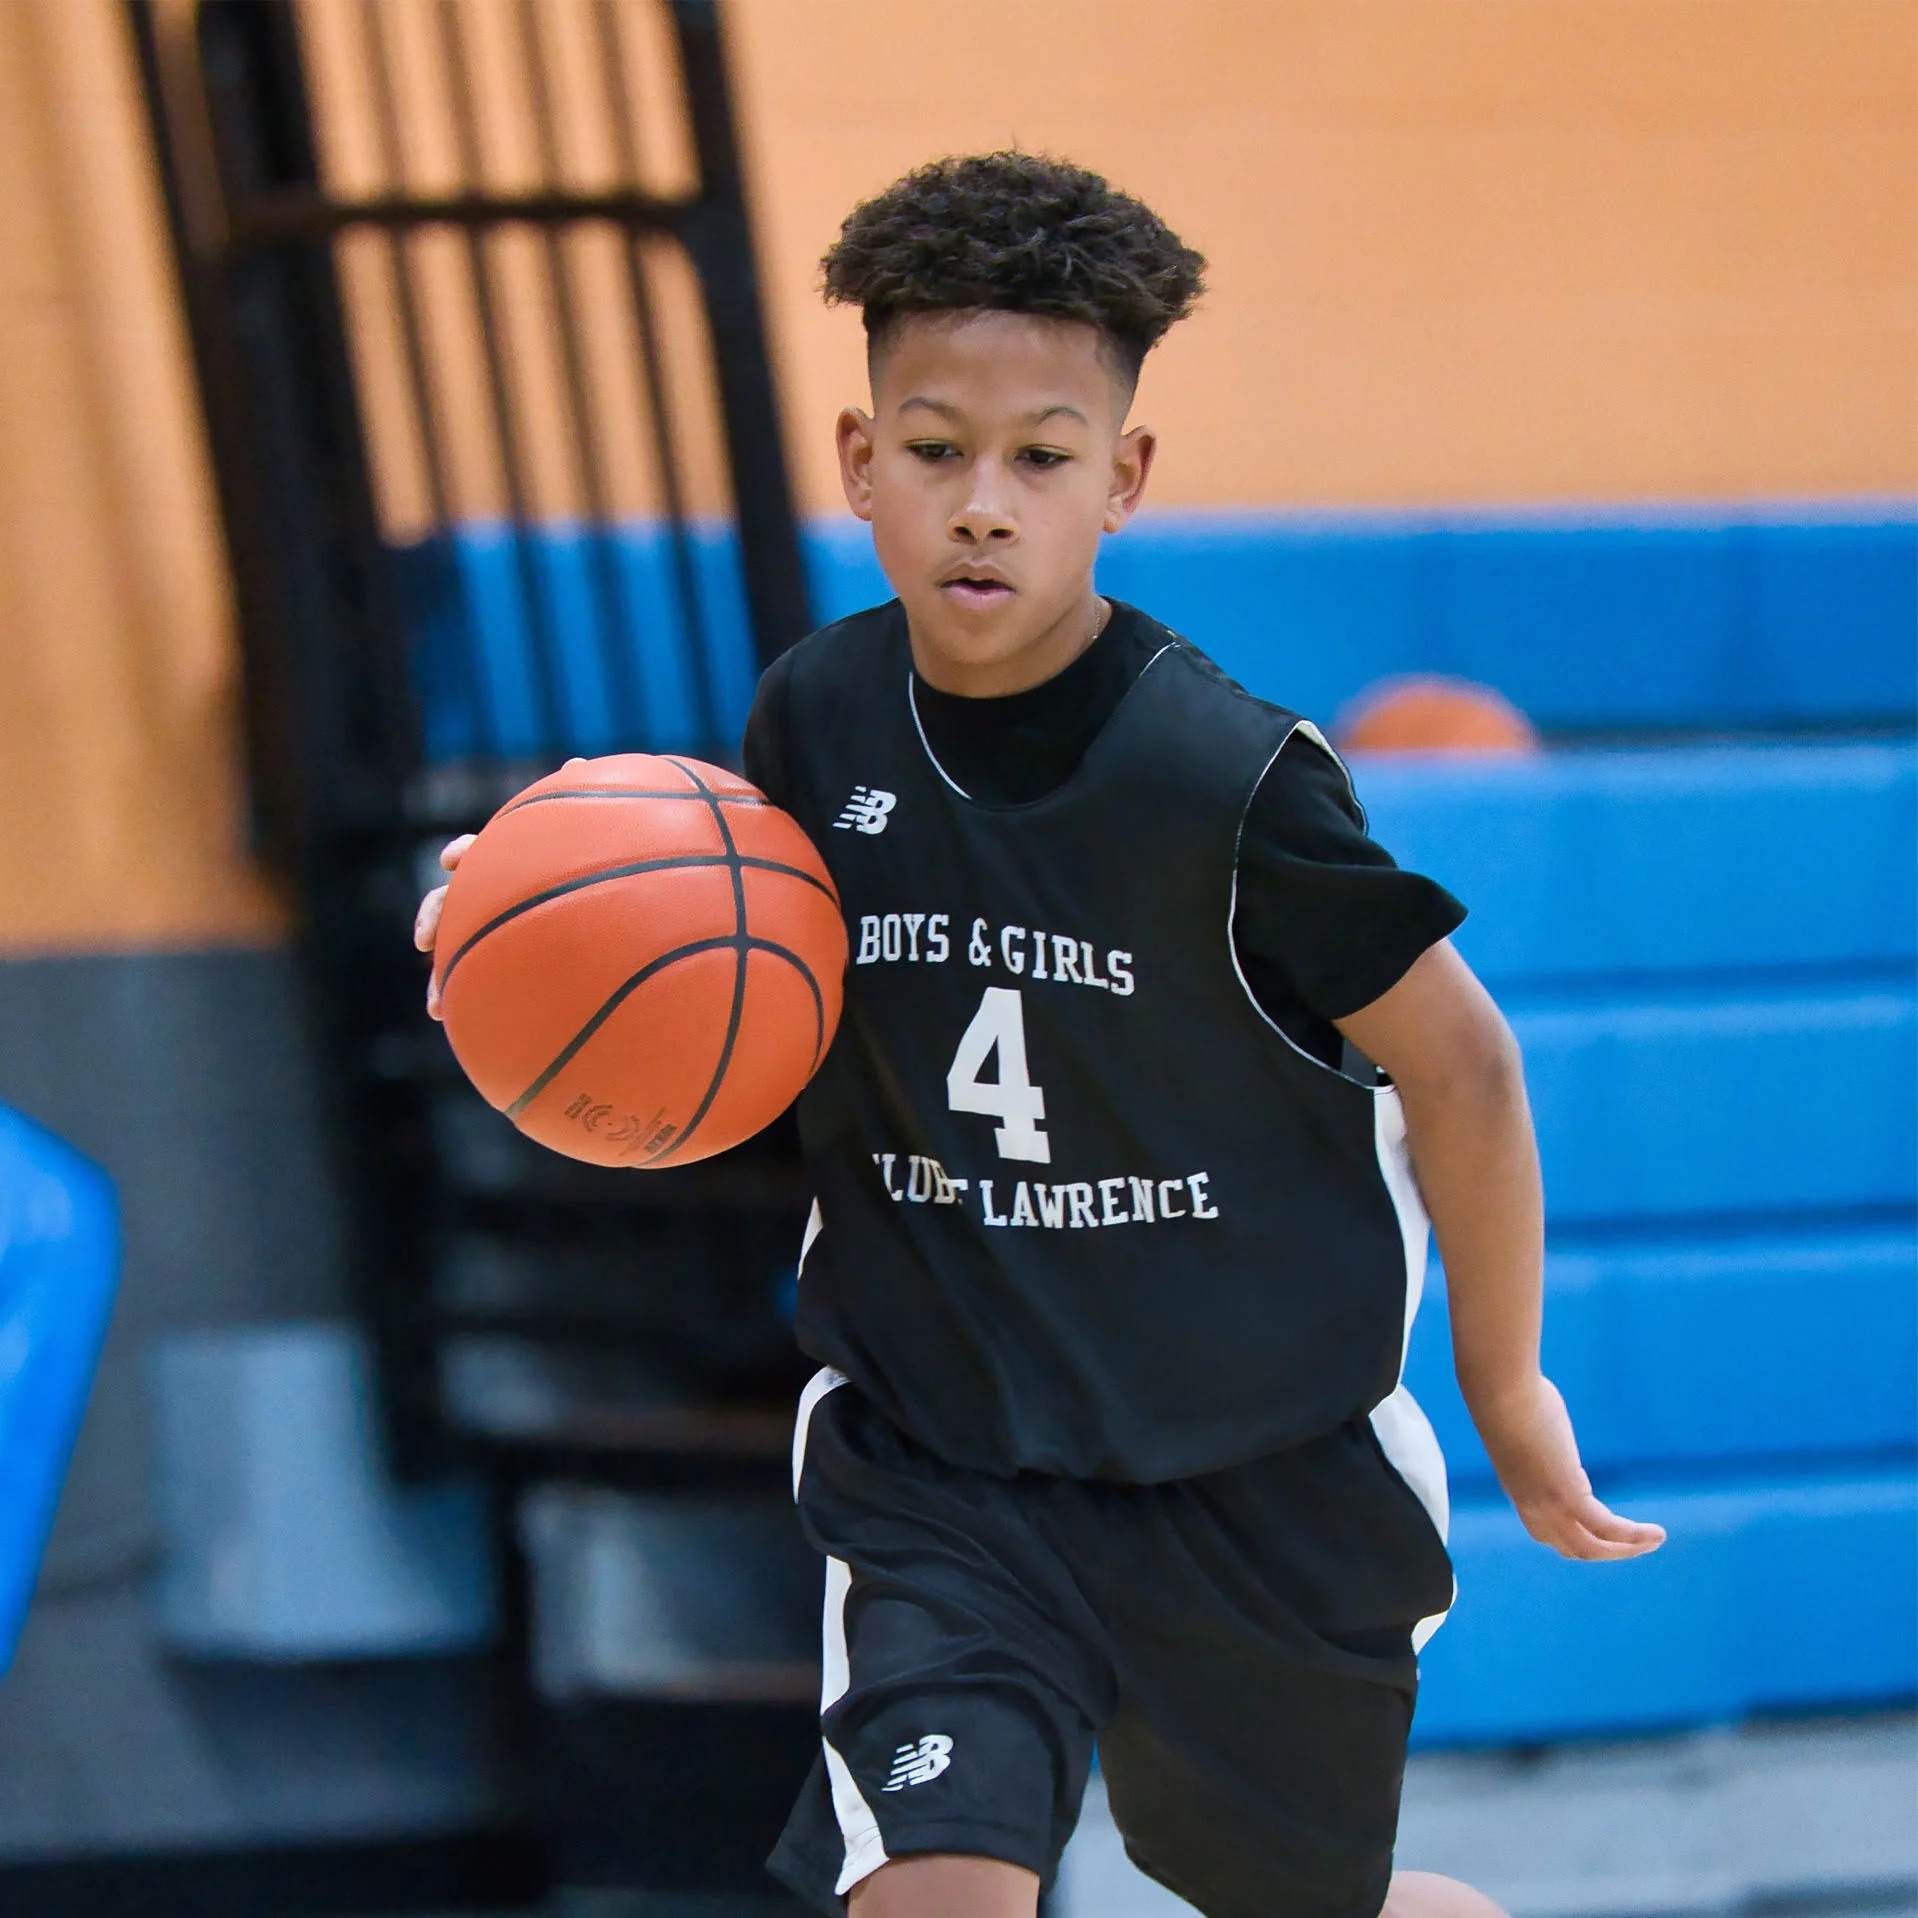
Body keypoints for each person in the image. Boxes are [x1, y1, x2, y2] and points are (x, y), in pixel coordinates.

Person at [416, 152, 1663, 1918]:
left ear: (1121, 479)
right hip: (945, 1461)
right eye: (933, 452)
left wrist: (1506, 1379)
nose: (980, 505)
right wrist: (505, 911)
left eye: (1039, 458)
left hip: (1251, 1469)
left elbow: (1460, 1064)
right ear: (860, 467)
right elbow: (703, 927)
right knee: (933, 1887)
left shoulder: (1225, 784)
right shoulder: (817, 715)